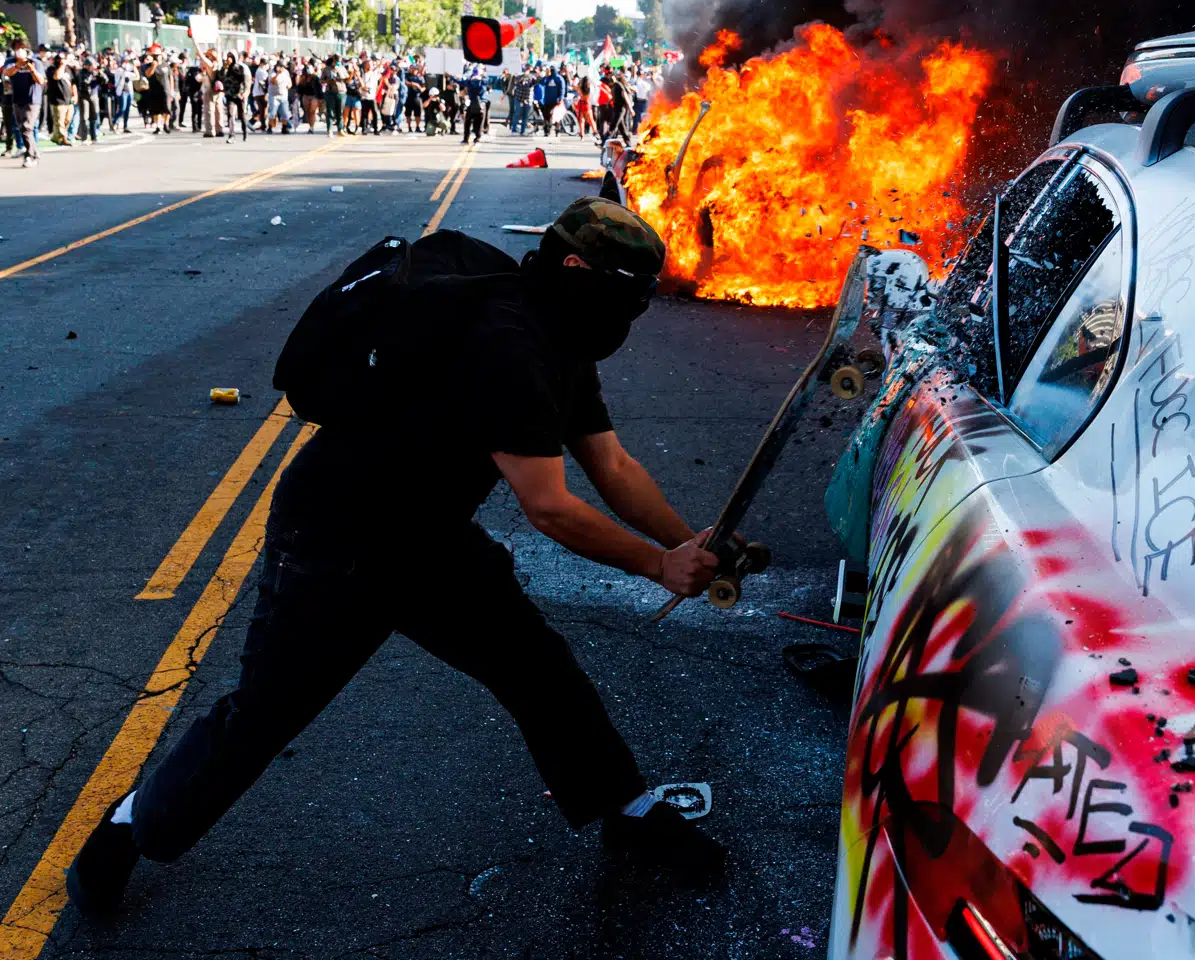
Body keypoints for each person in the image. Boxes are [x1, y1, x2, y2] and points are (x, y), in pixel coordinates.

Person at [64, 197, 728, 917]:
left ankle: (625, 810)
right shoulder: (509, 342)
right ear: (575, 270)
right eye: (624, 298)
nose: (627, 318)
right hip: (336, 539)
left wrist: (687, 541)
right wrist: (656, 567)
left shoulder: (559, 334)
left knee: (537, 668)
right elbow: (549, 506)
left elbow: (614, 464)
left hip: (427, 536)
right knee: (260, 718)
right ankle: (129, 830)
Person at [3, 40, 43, 166]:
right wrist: (18, 65)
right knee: (21, 128)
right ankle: (34, 153)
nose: (19, 50)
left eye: (22, 48)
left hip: (32, 100)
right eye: (17, 48)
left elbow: (41, 80)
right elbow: (6, 73)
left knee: (27, 127)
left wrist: (32, 70)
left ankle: (30, 156)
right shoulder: (11, 62)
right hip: (17, 99)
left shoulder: (35, 62)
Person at [45, 52, 74, 146]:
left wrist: (74, 94)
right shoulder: (51, 69)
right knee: (59, 121)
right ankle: (62, 138)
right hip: (57, 99)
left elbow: (72, 82)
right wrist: (61, 66)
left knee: (68, 119)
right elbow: (57, 76)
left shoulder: (68, 69)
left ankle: (55, 136)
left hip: (68, 99)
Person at [221, 51, 248, 143]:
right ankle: (231, 135)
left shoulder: (239, 68)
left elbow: (244, 81)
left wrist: (244, 93)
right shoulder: (225, 68)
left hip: (238, 94)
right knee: (230, 115)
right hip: (229, 95)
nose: (229, 59)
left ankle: (245, 132)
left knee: (242, 115)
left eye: (230, 57)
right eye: (228, 57)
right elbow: (221, 77)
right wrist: (225, 67)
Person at [460, 67, 488, 143]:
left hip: (472, 104)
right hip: (481, 104)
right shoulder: (483, 82)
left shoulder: (469, 81)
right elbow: (487, 83)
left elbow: (460, 82)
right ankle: (477, 137)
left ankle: (466, 139)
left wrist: (451, 77)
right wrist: (483, 76)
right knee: (479, 122)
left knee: (468, 122)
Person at [535, 64, 564, 138]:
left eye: (552, 70)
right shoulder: (547, 78)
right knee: (546, 116)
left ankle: (557, 130)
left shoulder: (559, 78)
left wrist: (560, 98)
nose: (551, 72)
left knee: (554, 116)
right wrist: (546, 75)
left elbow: (562, 89)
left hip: (556, 101)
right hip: (547, 100)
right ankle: (546, 131)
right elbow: (541, 83)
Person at [266, 56, 291, 133]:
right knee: (272, 113)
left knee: (285, 113)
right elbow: (272, 81)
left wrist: (288, 85)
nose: (283, 68)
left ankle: (284, 127)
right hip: (274, 96)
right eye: (282, 67)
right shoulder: (272, 72)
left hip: (283, 95)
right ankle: (270, 127)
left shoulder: (286, 72)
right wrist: (277, 73)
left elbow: (289, 82)